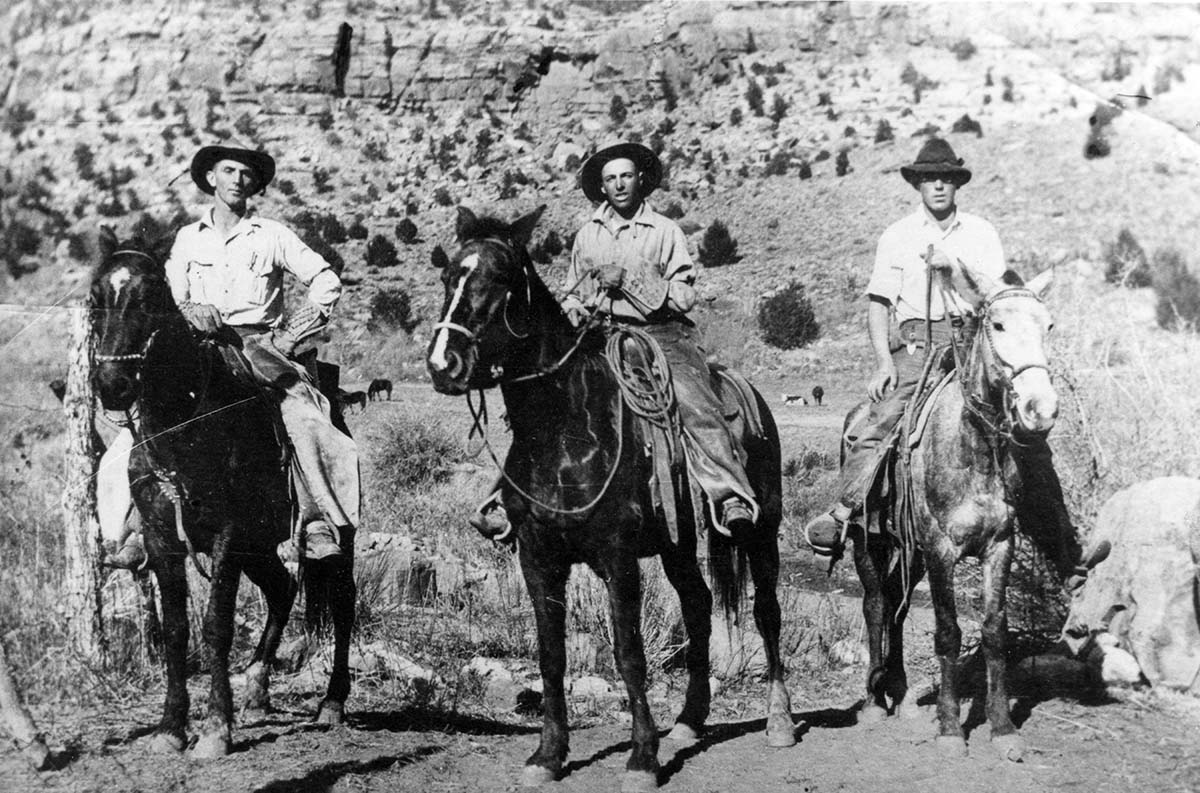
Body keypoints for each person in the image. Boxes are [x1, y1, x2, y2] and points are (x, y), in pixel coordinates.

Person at [101, 142, 359, 568]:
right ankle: (134, 527)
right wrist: (188, 309)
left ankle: (315, 521)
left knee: (303, 417)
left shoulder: (272, 234)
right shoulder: (186, 239)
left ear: (254, 183)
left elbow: (326, 281)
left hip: (258, 346)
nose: (237, 179)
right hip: (196, 347)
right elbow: (169, 296)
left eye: (245, 173)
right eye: (228, 170)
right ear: (210, 179)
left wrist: (294, 331)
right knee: (142, 424)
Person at [803, 138, 1006, 557]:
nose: (938, 186)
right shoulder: (898, 235)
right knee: (885, 419)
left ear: (956, 184)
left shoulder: (983, 233)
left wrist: (955, 269)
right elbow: (879, 305)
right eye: (929, 178)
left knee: (1020, 424)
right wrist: (883, 363)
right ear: (918, 184)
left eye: (946, 178)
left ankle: (1053, 533)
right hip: (918, 348)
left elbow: (994, 296)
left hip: (972, 344)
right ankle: (842, 513)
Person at [563, 140, 759, 536]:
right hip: (602, 335)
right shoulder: (587, 234)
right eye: (610, 178)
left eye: (626, 176)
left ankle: (730, 493)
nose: (619, 185)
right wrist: (574, 308)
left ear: (640, 181)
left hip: (660, 335)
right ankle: (516, 498)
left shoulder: (665, 230)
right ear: (601, 187)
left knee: (695, 401)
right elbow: (572, 290)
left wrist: (633, 280)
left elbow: (684, 296)